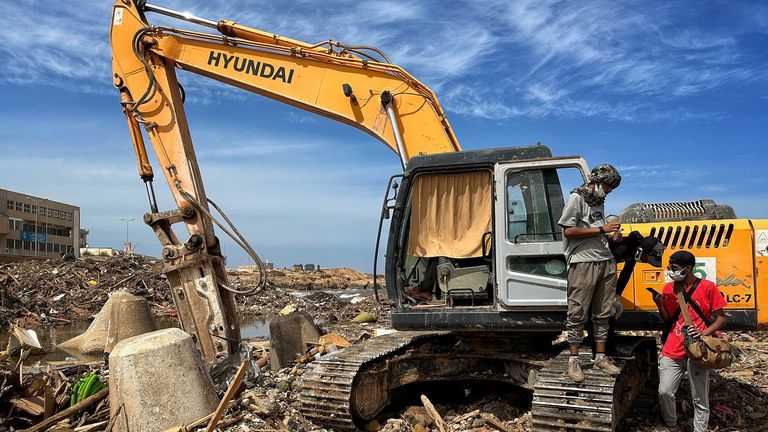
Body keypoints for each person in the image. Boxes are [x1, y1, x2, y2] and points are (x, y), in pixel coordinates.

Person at [557, 163, 623, 382]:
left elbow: (596, 229)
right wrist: (601, 230)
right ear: (596, 182)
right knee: (577, 313)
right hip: (583, 263)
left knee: (604, 312)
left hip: (605, 261)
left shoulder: (599, 201)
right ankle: (574, 361)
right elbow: (568, 230)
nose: (610, 190)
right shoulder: (577, 198)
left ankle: (601, 357)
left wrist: (611, 235)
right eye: (608, 186)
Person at [653, 250, 727, 431]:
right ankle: (671, 423)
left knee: (700, 397)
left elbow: (722, 318)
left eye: (675, 268)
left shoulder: (708, 287)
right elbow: (667, 318)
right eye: (670, 267)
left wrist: (703, 332)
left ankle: (699, 429)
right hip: (673, 346)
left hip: (698, 349)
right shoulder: (669, 288)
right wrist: (659, 304)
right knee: (665, 391)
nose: (671, 271)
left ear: (688, 269)